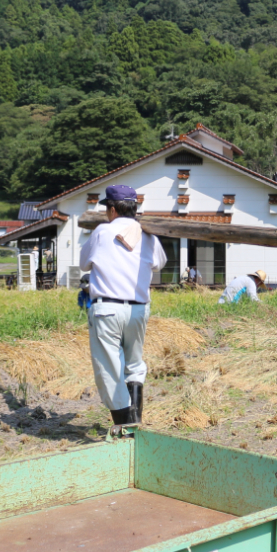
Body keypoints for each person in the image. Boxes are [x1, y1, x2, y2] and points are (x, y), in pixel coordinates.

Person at [79, 184, 167, 436]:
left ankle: (125, 425)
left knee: (109, 369)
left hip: (106, 308)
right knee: (134, 364)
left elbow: (84, 263)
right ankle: (134, 422)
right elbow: (159, 264)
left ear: (113, 208)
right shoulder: (147, 234)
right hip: (138, 309)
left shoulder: (101, 232)